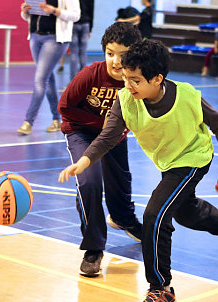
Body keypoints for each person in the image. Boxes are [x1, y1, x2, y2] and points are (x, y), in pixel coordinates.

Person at [59, 39, 218, 302]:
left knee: (155, 216)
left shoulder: (187, 96)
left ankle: (161, 289)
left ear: (157, 78)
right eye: (126, 79)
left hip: (193, 159)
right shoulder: (125, 100)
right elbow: (108, 136)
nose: (128, 85)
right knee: (185, 211)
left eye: (135, 80)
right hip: (168, 162)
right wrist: (85, 160)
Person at [58, 22, 143, 277]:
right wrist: (101, 125)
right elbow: (65, 107)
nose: (115, 61)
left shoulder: (136, 80)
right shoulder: (90, 75)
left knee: (120, 181)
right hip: (80, 132)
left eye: (123, 54)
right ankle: (93, 248)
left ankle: (123, 219)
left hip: (113, 135)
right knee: (90, 182)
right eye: (110, 53)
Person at [17, 0, 80, 135]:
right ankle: (57, 120)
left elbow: (76, 16)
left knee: (40, 79)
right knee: (47, 77)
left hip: (55, 39)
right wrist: (25, 11)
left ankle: (28, 121)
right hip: (35, 36)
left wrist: (54, 11)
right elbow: (28, 16)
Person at [70, 0, 94, 80]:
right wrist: (90, 29)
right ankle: (83, 79)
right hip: (85, 24)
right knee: (83, 52)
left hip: (73, 24)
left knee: (74, 53)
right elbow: (91, 12)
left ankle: (73, 80)